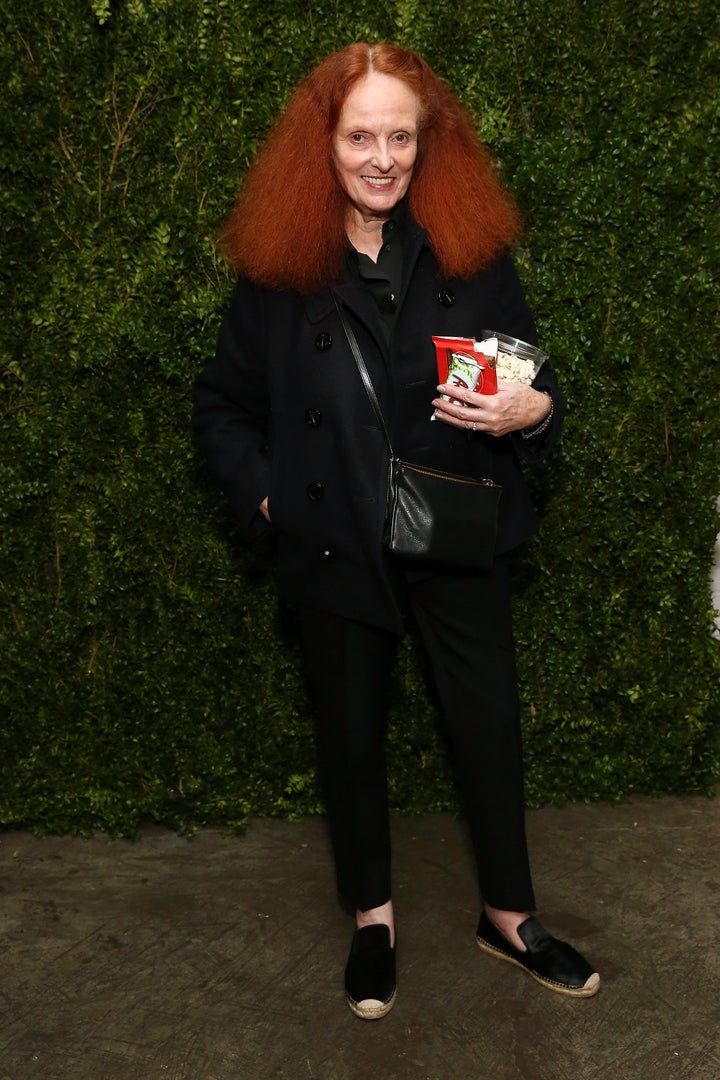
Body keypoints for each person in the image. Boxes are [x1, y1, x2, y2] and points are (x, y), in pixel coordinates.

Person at [192, 42, 600, 1019]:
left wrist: (529, 413)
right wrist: (266, 496)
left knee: (490, 729)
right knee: (351, 736)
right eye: (360, 135)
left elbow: (536, 381)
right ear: (322, 145)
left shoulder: (471, 251)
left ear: (429, 145)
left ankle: (509, 917)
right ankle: (372, 919)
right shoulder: (281, 272)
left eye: (401, 136)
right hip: (334, 538)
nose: (382, 157)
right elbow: (221, 407)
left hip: (454, 529)